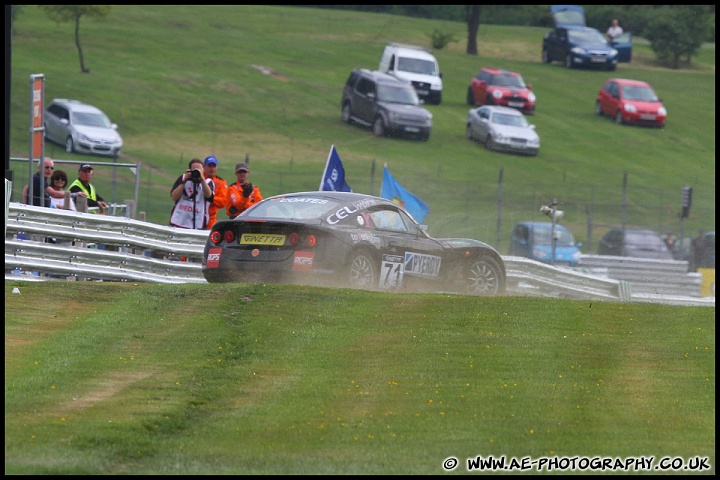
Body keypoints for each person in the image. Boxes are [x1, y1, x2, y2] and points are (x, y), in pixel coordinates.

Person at [170, 158, 215, 229]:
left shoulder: (208, 182)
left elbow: (209, 196)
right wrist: (184, 182)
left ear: (203, 170)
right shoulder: (183, 178)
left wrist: (202, 180)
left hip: (197, 223)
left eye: (199, 170)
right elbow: (174, 197)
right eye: (194, 170)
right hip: (178, 221)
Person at [202, 155, 229, 228]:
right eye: (209, 166)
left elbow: (223, 201)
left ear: (217, 167)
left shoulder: (221, 183)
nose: (212, 168)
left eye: (214, 166)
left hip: (211, 218)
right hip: (196, 215)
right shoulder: (199, 178)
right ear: (204, 166)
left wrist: (210, 197)